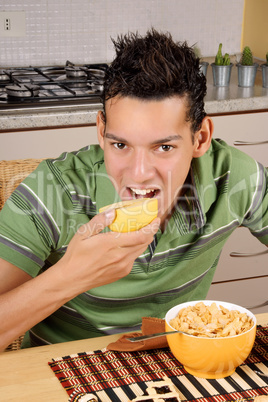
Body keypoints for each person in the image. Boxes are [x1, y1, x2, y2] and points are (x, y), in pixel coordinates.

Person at [0, 29, 267, 351]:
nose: (139, 174)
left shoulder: (235, 176)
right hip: (63, 372)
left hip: (176, 364)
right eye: (120, 144)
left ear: (200, 138)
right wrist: (69, 277)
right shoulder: (53, 191)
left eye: (164, 147)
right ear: (101, 130)